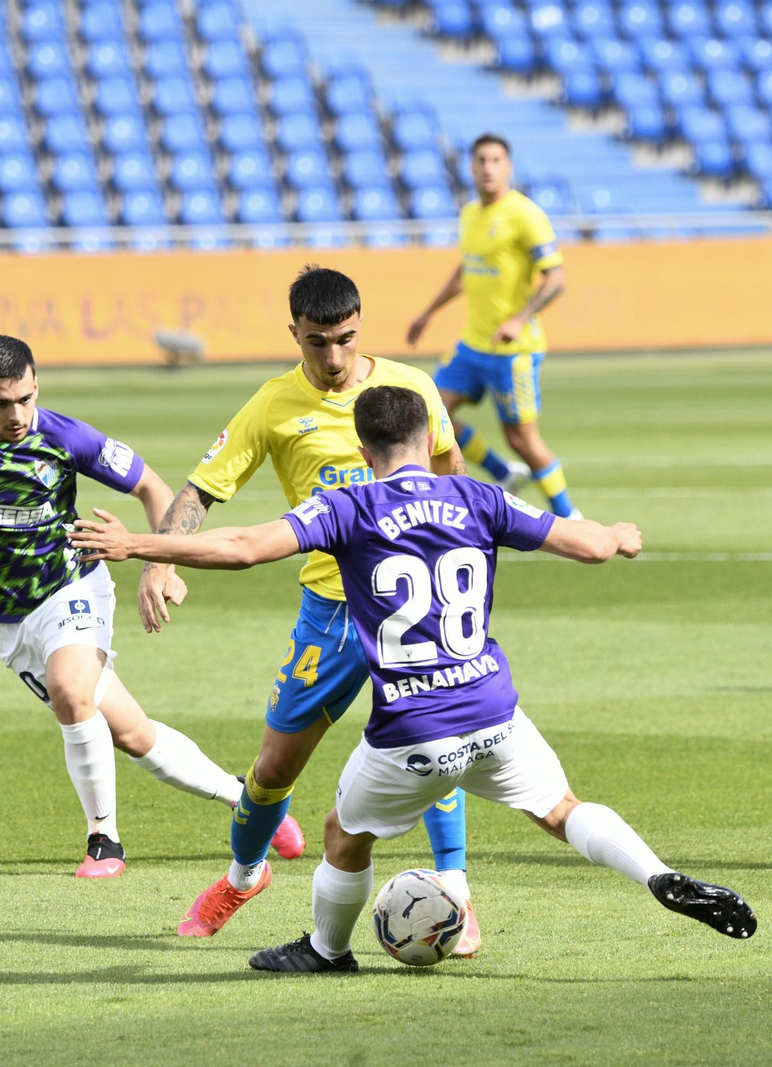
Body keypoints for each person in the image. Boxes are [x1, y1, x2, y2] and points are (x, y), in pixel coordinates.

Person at [72, 385, 757, 972]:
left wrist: (138, 544)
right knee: (562, 809)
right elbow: (590, 544)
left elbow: (245, 546)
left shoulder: (348, 507)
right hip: (495, 711)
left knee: (343, 831)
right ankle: (658, 873)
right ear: (432, 436)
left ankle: (326, 949)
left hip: (413, 730)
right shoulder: (477, 496)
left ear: (363, 453)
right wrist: (619, 534)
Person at [0, 334, 300, 878]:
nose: (17, 414)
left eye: (26, 399)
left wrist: (160, 564)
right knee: (131, 733)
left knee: (70, 692)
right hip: (5, 615)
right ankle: (246, 801)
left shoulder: (63, 435)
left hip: (72, 584)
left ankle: (105, 841)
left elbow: (151, 486)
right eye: (2, 403)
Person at [130, 266, 485, 951]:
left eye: (345, 340)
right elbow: (202, 491)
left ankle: (457, 897)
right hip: (330, 612)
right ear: (293, 332)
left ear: (361, 326)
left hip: (412, 607)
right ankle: (244, 874)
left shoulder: (412, 388)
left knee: (434, 743)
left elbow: (452, 474)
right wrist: (160, 558)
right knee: (272, 769)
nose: (332, 357)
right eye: (317, 342)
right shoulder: (272, 406)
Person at [405, 132, 579, 519]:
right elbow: (465, 270)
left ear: (509, 167)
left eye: (496, 160)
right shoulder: (470, 214)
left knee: (523, 439)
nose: (488, 167)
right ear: (471, 166)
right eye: (481, 160)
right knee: (432, 416)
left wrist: (519, 320)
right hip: (472, 345)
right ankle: (503, 474)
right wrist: (428, 313)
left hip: (512, 351)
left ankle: (569, 517)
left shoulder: (525, 214)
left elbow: (557, 279)